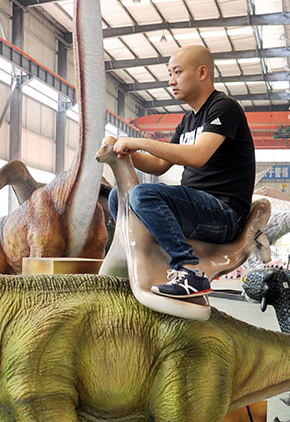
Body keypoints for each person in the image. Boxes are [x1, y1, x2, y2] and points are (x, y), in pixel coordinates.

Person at [109, 45, 255, 299]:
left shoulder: (224, 108)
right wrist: (123, 153)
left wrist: (139, 141)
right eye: (170, 73)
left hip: (222, 213)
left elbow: (198, 156)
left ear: (201, 72)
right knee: (117, 196)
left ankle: (189, 270)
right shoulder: (188, 121)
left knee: (143, 195)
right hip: (195, 207)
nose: (171, 81)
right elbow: (158, 164)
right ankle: (140, 259)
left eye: (177, 72)